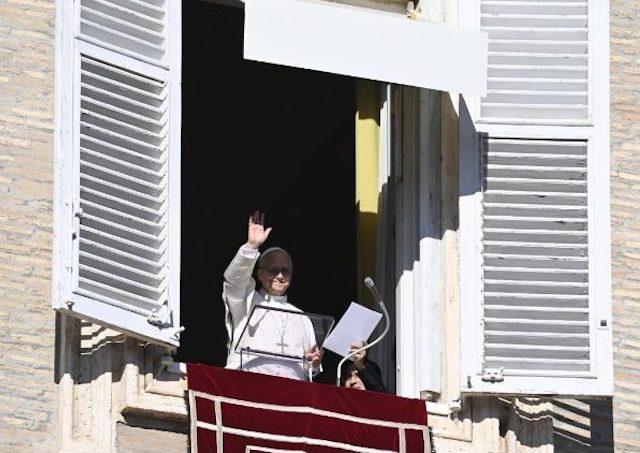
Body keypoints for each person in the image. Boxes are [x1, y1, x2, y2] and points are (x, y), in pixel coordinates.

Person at [222, 210, 323, 381]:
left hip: (292, 389)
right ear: (260, 274)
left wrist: (313, 363)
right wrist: (251, 247)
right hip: (250, 384)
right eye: (274, 270)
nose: (280, 276)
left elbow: (311, 368)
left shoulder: (302, 318)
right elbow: (234, 281)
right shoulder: (246, 301)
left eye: (286, 271)